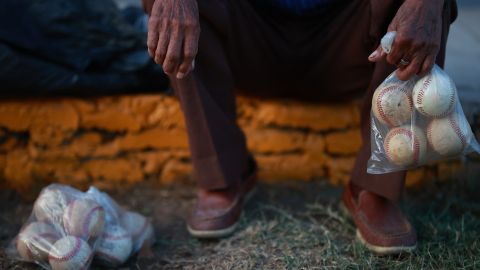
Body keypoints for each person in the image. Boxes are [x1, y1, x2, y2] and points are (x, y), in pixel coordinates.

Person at [143, 0, 457, 255]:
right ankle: (222, 175)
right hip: (251, 39)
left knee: (427, 4)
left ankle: (375, 187)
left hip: (351, 42)